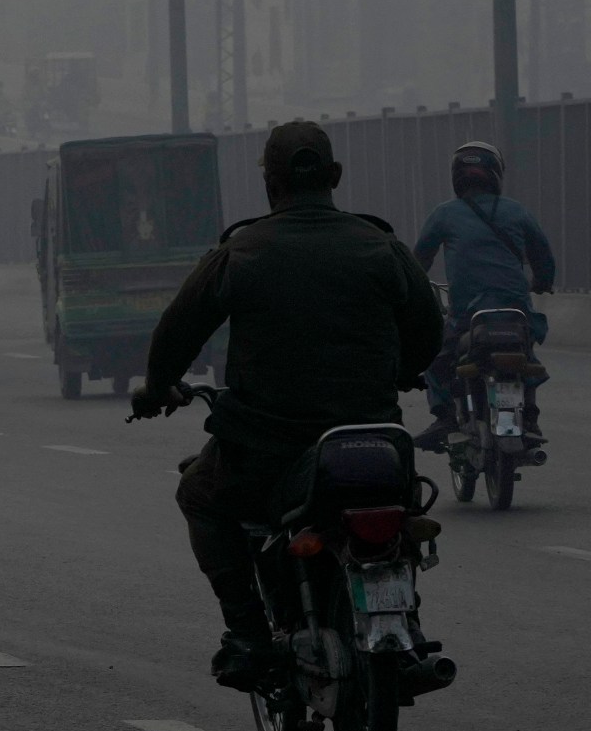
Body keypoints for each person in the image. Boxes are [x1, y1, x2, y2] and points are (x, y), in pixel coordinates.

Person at [131, 120, 443, 691]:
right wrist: (401, 374)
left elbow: (175, 335)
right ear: (336, 177)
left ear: (269, 185)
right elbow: (427, 332)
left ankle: (248, 636)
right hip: (373, 448)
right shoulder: (384, 248)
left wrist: (155, 392)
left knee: (199, 495)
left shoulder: (240, 252)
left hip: (266, 451)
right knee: (396, 525)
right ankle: (405, 627)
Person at [410, 141, 555, 450]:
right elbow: (543, 256)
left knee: (436, 361)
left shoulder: (444, 214)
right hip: (517, 315)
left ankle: (445, 417)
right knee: (525, 356)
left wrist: (412, 288)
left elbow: (418, 261)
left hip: (467, 318)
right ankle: (529, 417)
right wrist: (542, 281)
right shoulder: (517, 211)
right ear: (495, 174)